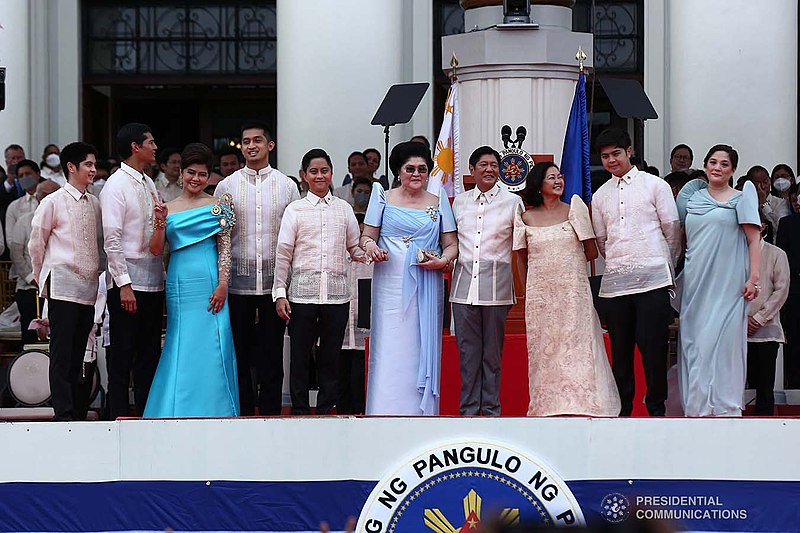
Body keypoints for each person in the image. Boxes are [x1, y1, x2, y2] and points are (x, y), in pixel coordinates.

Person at [514, 162, 620, 417]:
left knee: (577, 344)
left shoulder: (574, 207)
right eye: (552, 177)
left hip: (573, 290)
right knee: (545, 348)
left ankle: (585, 403)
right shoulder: (525, 217)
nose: (558, 181)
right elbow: (519, 257)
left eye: (560, 176)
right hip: (540, 295)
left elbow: (591, 251)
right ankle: (547, 405)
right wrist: (526, 292)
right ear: (539, 185)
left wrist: (564, 264)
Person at [361, 141, 458, 415]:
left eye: (422, 169)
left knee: (419, 343)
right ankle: (383, 409)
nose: (416, 174)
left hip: (426, 286)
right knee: (390, 343)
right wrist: (373, 249)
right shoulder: (382, 196)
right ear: (399, 171)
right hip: (389, 283)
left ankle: (420, 411)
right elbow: (367, 237)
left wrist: (443, 261)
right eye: (410, 169)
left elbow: (451, 244)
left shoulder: (438, 202)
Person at [144, 143, 239, 417]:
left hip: (210, 280)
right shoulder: (167, 207)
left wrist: (222, 284)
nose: (196, 179)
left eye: (202, 174)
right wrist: (160, 222)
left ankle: (217, 408)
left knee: (213, 342)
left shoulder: (219, 206)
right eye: (191, 173)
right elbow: (155, 249)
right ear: (181, 172)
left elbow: (224, 249)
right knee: (180, 340)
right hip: (180, 282)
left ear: (210, 176)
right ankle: (173, 408)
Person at [591, 128, 680, 417]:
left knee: (653, 348)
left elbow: (672, 230)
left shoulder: (655, 185)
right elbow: (602, 241)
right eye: (605, 156)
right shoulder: (600, 195)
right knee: (621, 352)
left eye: (616, 153)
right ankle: (623, 410)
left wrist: (663, 263)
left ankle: (656, 408)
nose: (611, 160)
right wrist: (621, 263)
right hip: (616, 283)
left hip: (653, 279)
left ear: (629, 151)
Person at [214, 121, 300, 416]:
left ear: (270, 145)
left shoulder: (287, 185)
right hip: (237, 281)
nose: (251, 146)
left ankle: (271, 411)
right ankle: (242, 409)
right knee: (239, 350)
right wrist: (223, 279)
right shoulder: (227, 185)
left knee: (273, 351)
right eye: (246, 141)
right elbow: (222, 235)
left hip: (276, 283)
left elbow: (295, 234)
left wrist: (286, 284)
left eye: (257, 141)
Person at [273, 148, 365, 415]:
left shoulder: (344, 208)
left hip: (337, 296)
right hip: (302, 295)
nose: (319, 175)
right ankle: (300, 411)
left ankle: (326, 409)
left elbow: (354, 248)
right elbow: (283, 254)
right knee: (301, 358)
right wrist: (280, 293)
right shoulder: (295, 209)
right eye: (313, 171)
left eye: (324, 170)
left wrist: (370, 253)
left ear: (331, 173)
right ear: (304, 176)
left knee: (331, 356)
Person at [677, 144, 761, 417]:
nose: (717, 167)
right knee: (695, 342)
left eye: (724, 164)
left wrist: (754, 278)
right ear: (704, 166)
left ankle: (725, 406)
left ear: (733, 170)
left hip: (729, 284)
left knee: (724, 343)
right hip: (696, 281)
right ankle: (698, 406)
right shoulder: (691, 198)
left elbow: (753, 239)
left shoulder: (741, 197)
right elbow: (680, 239)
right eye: (713, 162)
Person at [28, 141, 105, 421]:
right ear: (71, 167)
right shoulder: (53, 201)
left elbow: (99, 244)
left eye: (94, 165)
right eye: (88, 164)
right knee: (62, 354)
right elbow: (36, 243)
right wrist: (42, 278)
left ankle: (79, 408)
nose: (93, 170)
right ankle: (64, 413)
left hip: (87, 289)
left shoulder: (95, 203)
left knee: (80, 354)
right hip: (62, 285)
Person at [450, 146, 523, 417]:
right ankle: (468, 412)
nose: (489, 169)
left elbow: (522, 244)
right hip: (463, 287)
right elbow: (451, 241)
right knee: (468, 356)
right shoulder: (459, 202)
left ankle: (491, 411)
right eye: (483, 165)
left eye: (494, 165)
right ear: (472, 170)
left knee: (492, 356)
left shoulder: (512, 202)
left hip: (497, 287)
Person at [100, 123, 166, 419]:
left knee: (149, 355)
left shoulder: (149, 182)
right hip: (128, 282)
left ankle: (145, 413)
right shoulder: (115, 185)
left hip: (154, 279)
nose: (155, 147)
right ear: (135, 147)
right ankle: (116, 416)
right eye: (150, 142)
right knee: (122, 355)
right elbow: (112, 239)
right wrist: (123, 284)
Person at [746, 214, 789, 416]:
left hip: (766, 329)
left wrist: (759, 319)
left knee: (765, 386)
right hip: (736, 327)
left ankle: (765, 424)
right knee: (735, 384)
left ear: (762, 227)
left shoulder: (776, 254)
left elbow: (781, 291)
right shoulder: (732, 253)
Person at [339, 212, 373, 415]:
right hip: (339, 330)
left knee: (360, 381)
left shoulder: (372, 262)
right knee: (340, 382)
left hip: (364, 332)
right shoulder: (337, 258)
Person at [776, 183, 800, 388]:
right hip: (796, 290)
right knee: (795, 340)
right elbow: (784, 257)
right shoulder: (787, 223)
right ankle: (794, 385)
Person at [747, 165, 790, 240]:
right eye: (757, 183)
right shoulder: (745, 203)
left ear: (770, 180)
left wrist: (764, 203)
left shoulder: (781, 202)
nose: (763, 187)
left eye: (765, 182)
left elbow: (780, 228)